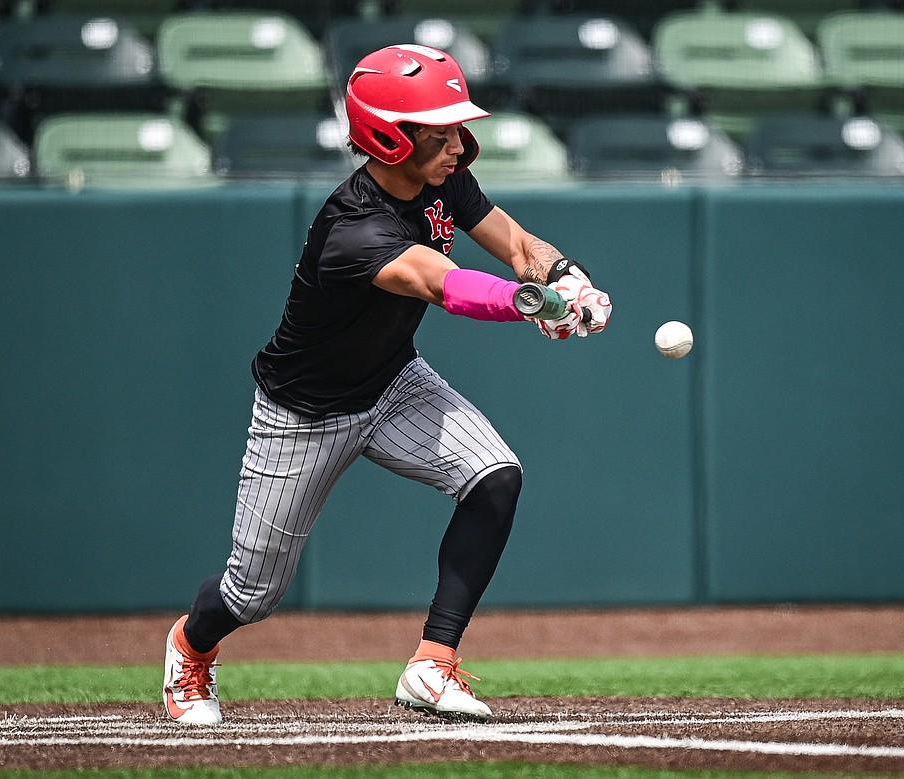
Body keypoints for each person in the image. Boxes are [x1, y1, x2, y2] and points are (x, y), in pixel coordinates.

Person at [162, 43, 613, 725]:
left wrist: (565, 277)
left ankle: (431, 663)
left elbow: (520, 247)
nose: (459, 145)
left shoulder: (444, 178)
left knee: (495, 475)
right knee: (252, 592)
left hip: (392, 380)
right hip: (304, 413)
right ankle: (190, 646)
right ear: (388, 137)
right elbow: (444, 284)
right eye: (440, 133)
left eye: (457, 128)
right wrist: (537, 306)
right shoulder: (353, 228)